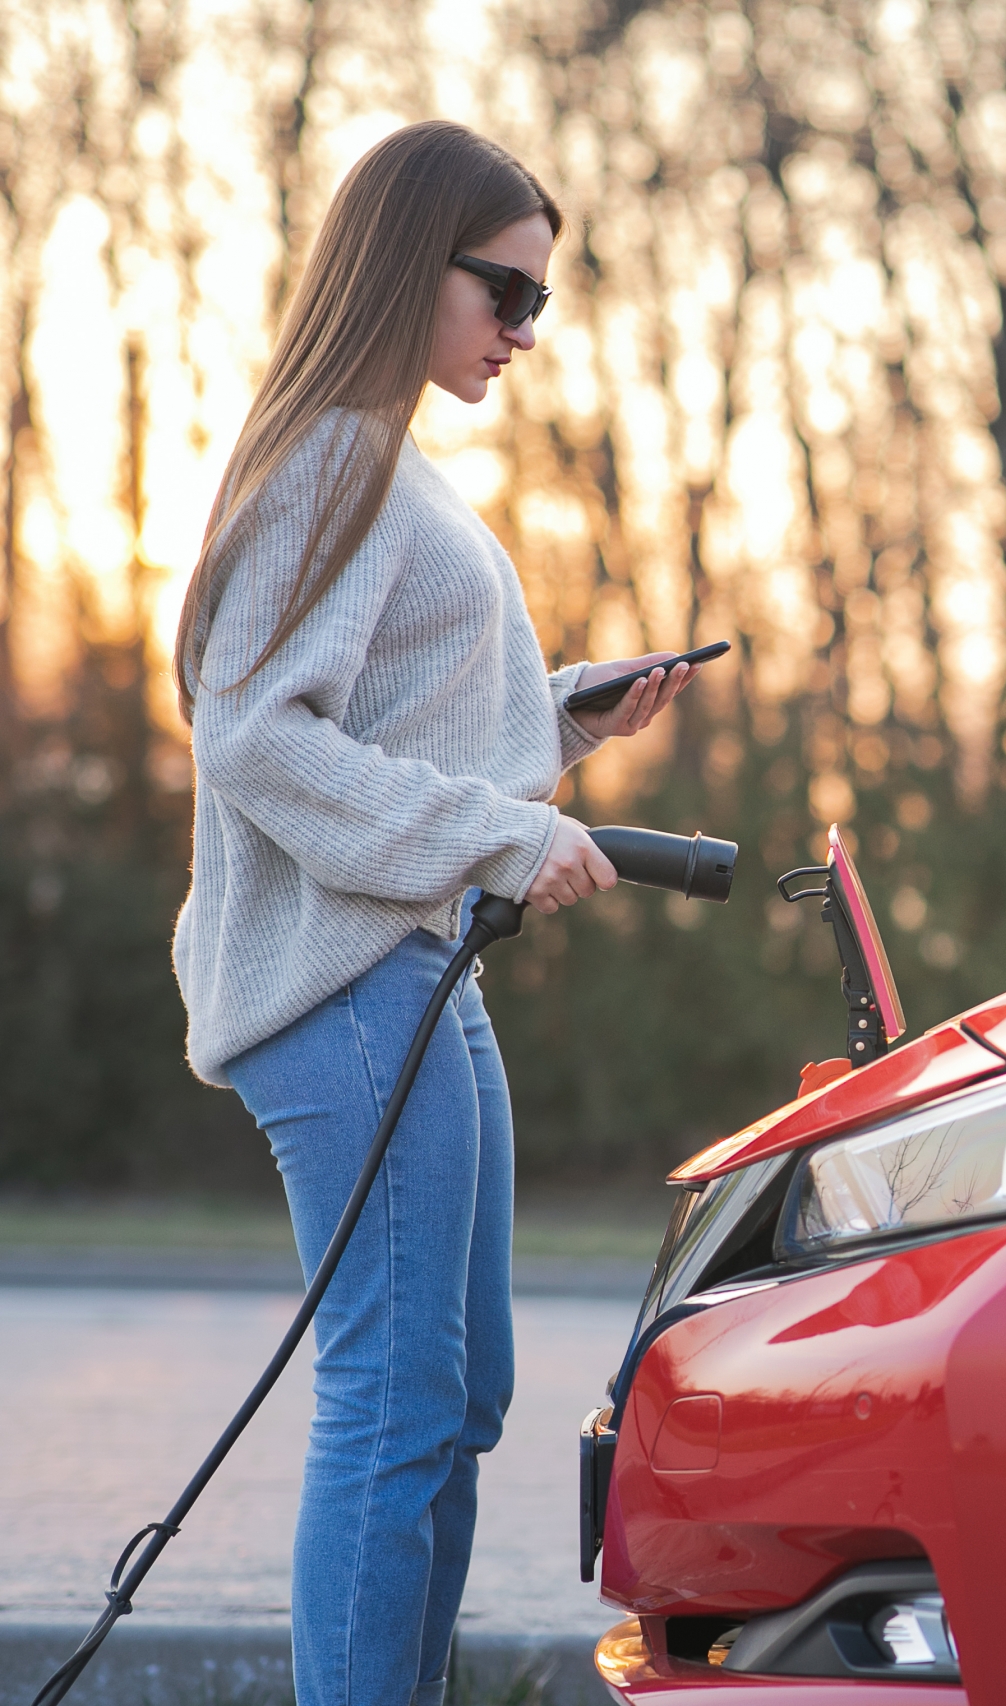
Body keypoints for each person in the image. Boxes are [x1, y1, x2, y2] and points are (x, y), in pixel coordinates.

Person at [169, 120, 696, 1706]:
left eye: (540, 303)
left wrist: (566, 718)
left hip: (414, 964)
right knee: (397, 1398)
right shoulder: (331, 450)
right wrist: (491, 830)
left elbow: (387, 727)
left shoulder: (383, 460)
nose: (525, 335)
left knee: (461, 1390)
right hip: (339, 986)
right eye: (507, 294)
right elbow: (254, 730)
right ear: (414, 262)